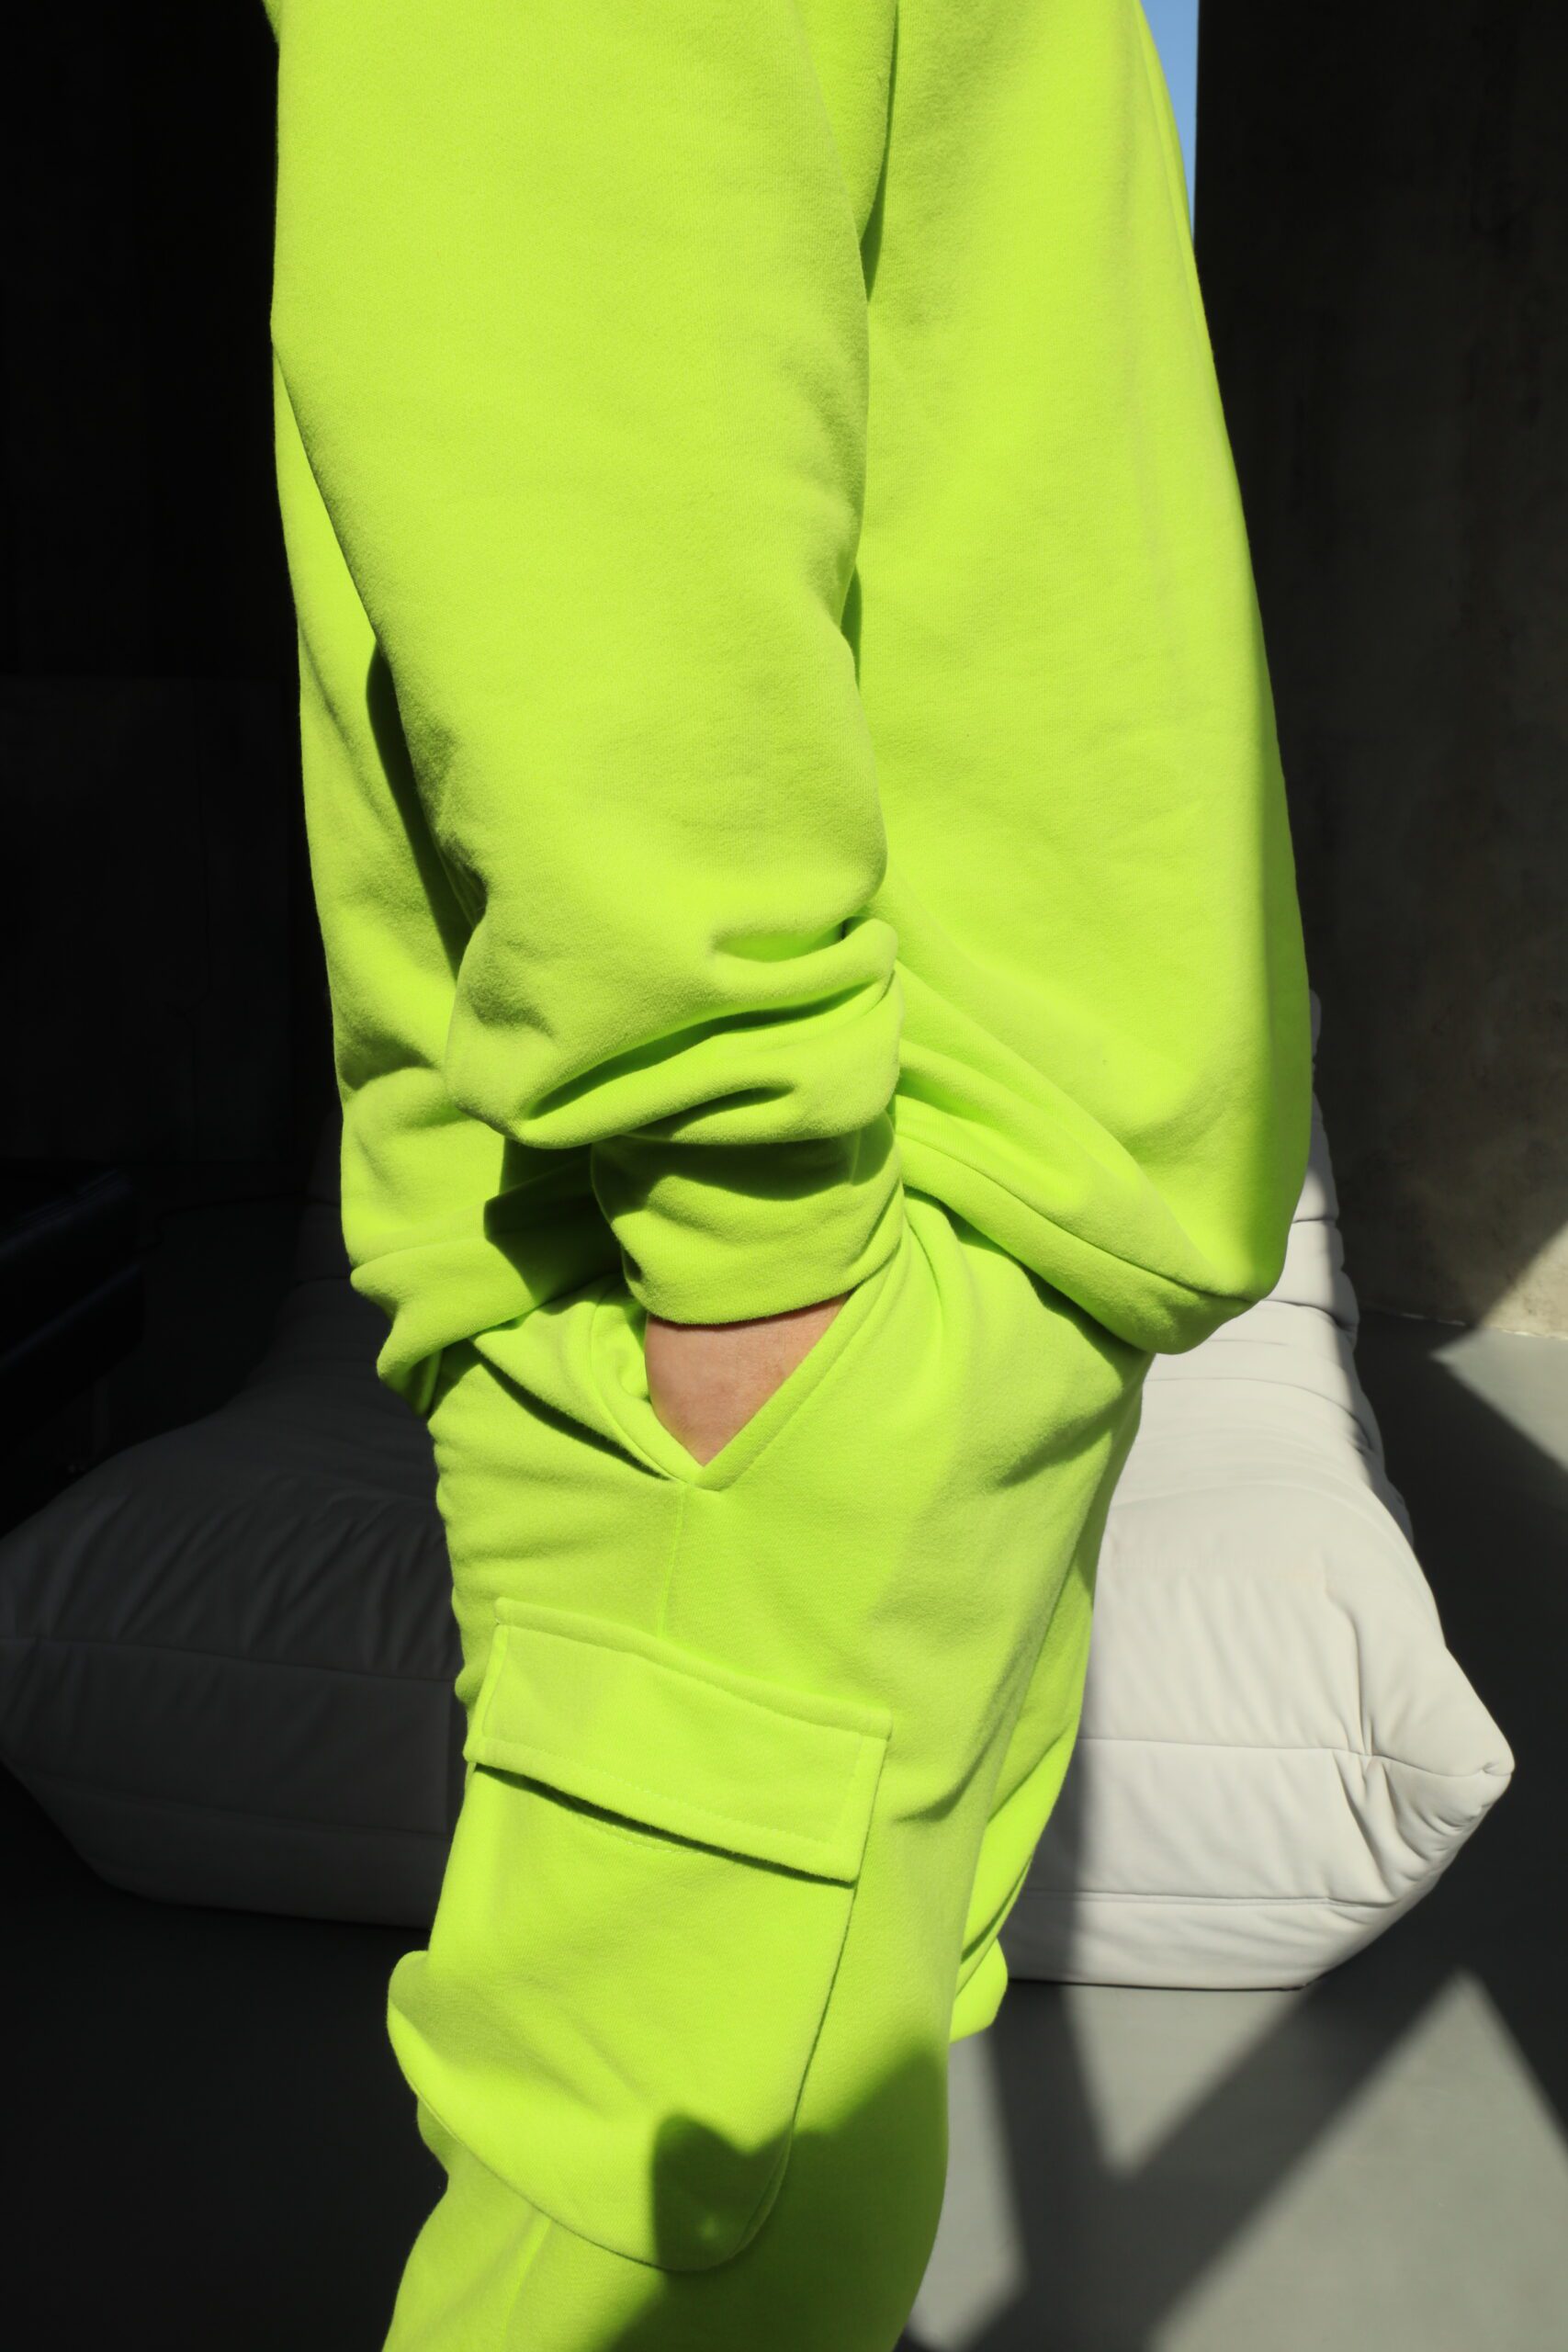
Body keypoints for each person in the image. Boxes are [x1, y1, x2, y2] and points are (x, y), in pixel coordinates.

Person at [261, 2, 1313, 2345]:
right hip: (796, 1304)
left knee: (790, 2236)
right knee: (642, 2285)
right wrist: (759, 1249)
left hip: (955, 1273)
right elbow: (571, 426)